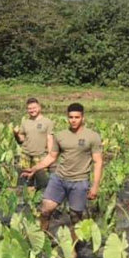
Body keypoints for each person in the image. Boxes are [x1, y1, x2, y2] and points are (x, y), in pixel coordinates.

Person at [22, 103, 103, 246]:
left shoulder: (93, 137)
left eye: (77, 117)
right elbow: (51, 157)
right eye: (71, 117)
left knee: (75, 217)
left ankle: (72, 248)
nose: (73, 120)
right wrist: (34, 168)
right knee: (45, 210)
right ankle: (43, 240)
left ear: (83, 117)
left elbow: (98, 162)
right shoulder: (60, 136)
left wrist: (95, 186)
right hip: (59, 179)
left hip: (79, 181)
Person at [13, 98, 54, 191]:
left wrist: (51, 156)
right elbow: (22, 140)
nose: (32, 110)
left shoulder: (47, 122)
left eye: (34, 108)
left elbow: (49, 139)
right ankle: (27, 200)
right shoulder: (25, 122)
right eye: (29, 108)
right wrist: (16, 134)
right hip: (26, 154)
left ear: (39, 107)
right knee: (25, 181)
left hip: (40, 154)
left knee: (42, 182)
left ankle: (40, 200)